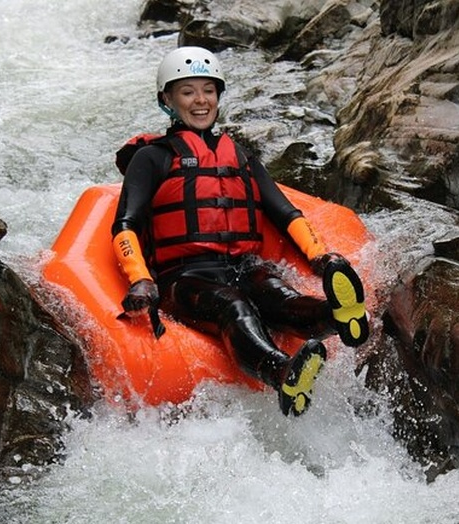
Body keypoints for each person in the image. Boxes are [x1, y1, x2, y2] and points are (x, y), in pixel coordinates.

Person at [110, 46, 369, 417]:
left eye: (208, 90)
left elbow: (284, 212)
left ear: (219, 95)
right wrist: (140, 279)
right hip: (184, 278)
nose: (201, 101)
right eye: (188, 92)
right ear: (166, 99)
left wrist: (320, 258)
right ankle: (283, 371)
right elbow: (126, 223)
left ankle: (337, 315)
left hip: (244, 265)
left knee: (277, 294)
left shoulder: (241, 155)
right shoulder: (152, 158)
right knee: (235, 306)